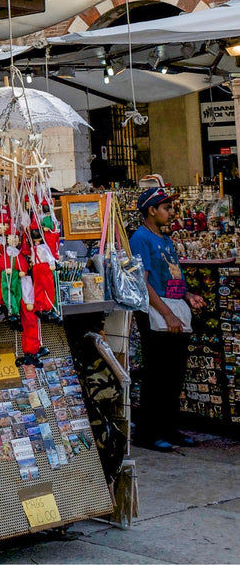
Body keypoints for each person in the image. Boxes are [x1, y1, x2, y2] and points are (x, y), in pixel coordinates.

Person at [129, 184, 205, 451]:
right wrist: (168, 313)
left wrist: (188, 296)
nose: (171, 212)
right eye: (166, 207)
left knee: (174, 375)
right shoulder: (141, 238)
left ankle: (168, 428)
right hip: (157, 314)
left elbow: (172, 280)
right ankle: (148, 433)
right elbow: (144, 283)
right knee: (157, 376)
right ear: (151, 210)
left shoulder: (165, 240)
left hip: (171, 309)